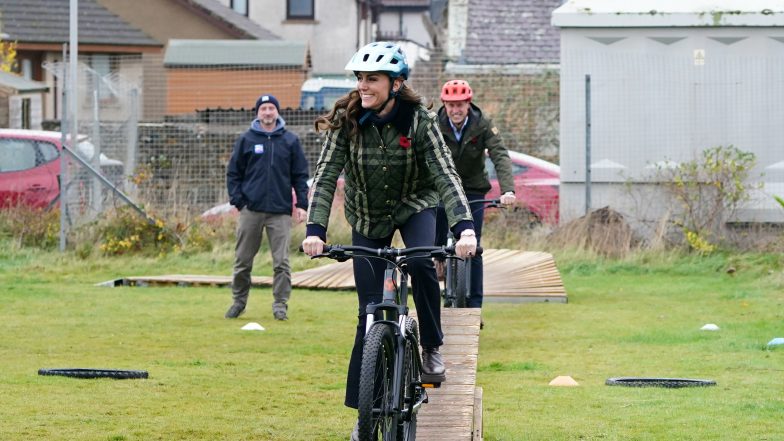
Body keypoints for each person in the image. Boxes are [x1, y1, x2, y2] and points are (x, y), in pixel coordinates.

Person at [301, 42, 477, 436]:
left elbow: (446, 176)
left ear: (395, 84)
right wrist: (315, 231)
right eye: (360, 79)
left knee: (418, 261)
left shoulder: (419, 120)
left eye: (373, 79)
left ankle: (431, 346)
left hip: (415, 202)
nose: (364, 86)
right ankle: (367, 410)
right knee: (368, 311)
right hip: (367, 213)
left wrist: (463, 227)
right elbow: (327, 174)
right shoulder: (348, 118)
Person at [226, 94, 309, 321]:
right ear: (257, 113)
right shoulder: (246, 139)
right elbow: (233, 174)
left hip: (280, 212)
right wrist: (239, 201)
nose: (268, 112)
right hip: (250, 210)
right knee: (243, 261)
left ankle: (280, 304)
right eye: (264, 109)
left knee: (281, 262)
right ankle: (238, 302)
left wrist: (301, 204)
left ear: (277, 112)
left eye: (271, 108)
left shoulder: (290, 141)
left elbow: (300, 176)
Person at [435, 79, 516, 309]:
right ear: (444, 105)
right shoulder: (434, 124)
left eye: (460, 104)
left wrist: (508, 190)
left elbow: (499, 154)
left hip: (473, 187)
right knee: (435, 238)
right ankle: (439, 260)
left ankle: (475, 305)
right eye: (450, 105)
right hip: (442, 186)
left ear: (468, 104)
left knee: (474, 246)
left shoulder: (482, 124)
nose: (455, 110)